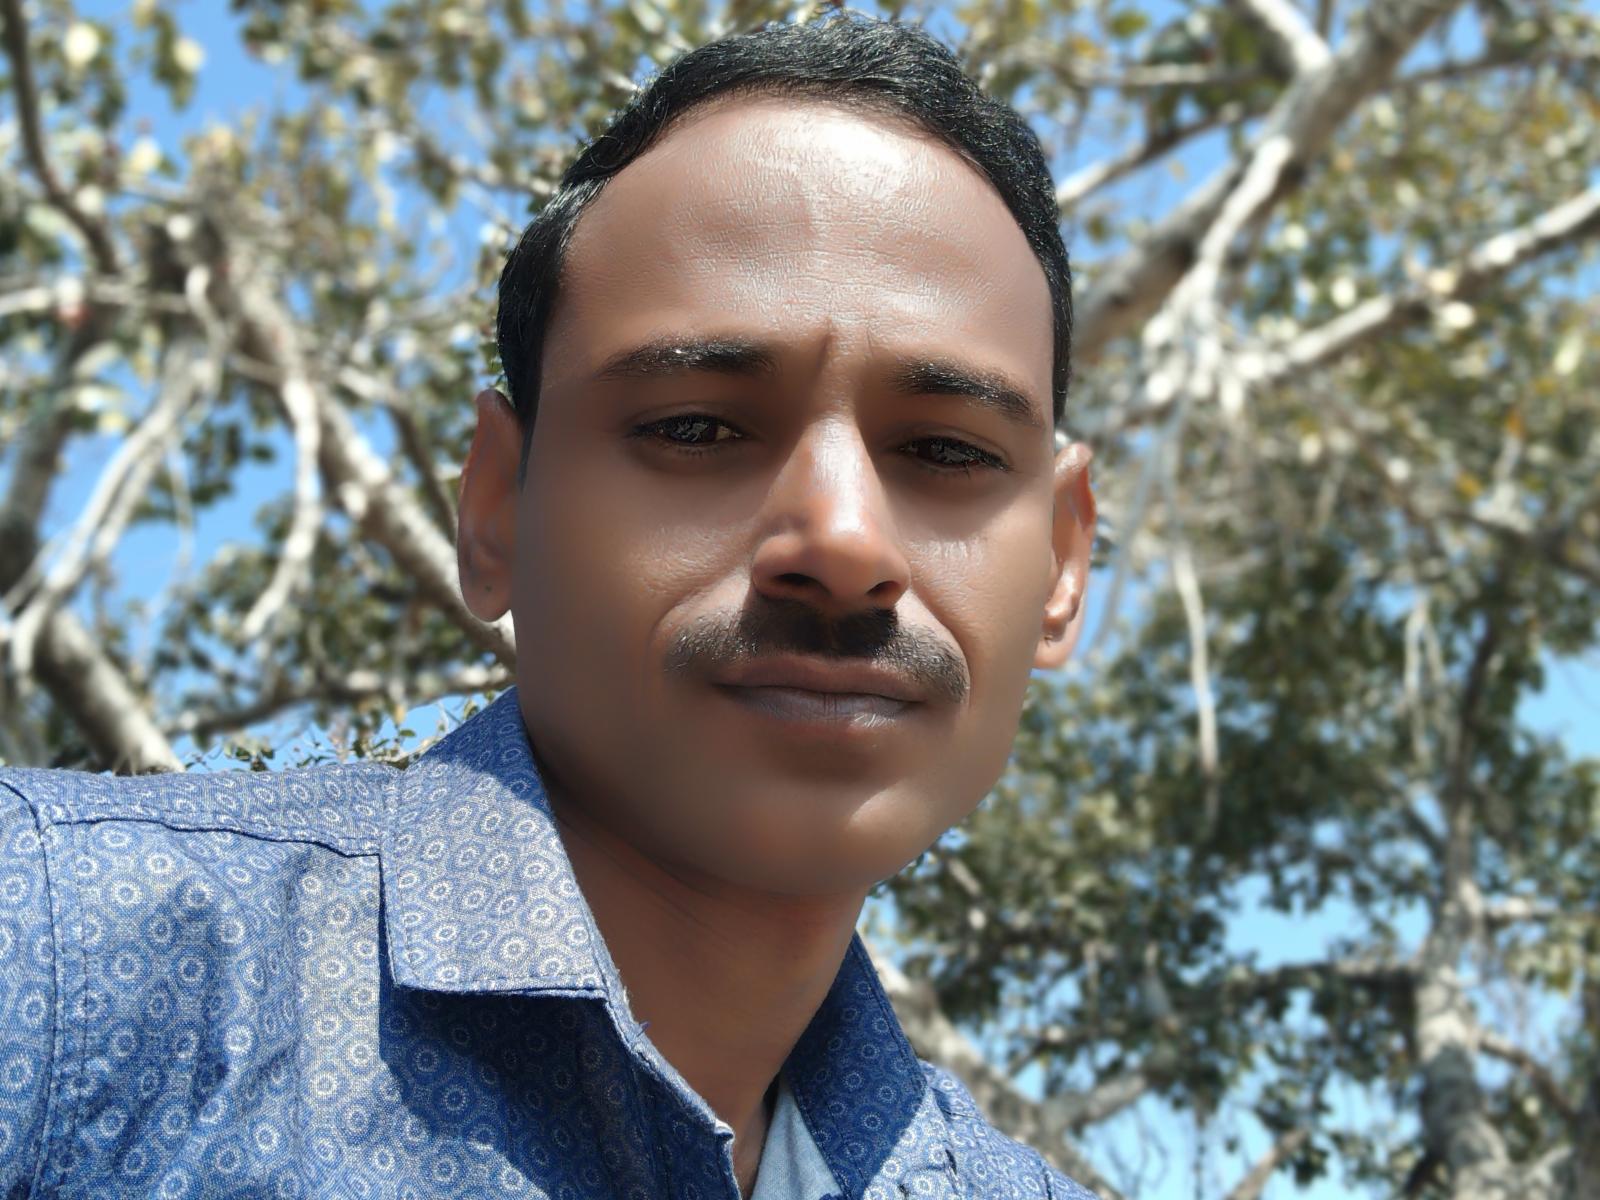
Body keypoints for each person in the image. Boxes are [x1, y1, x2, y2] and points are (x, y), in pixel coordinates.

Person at [0, 13, 1096, 1199]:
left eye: (945, 450)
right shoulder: (58, 962)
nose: (842, 544)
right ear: (494, 513)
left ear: (1062, 562)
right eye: (696, 428)